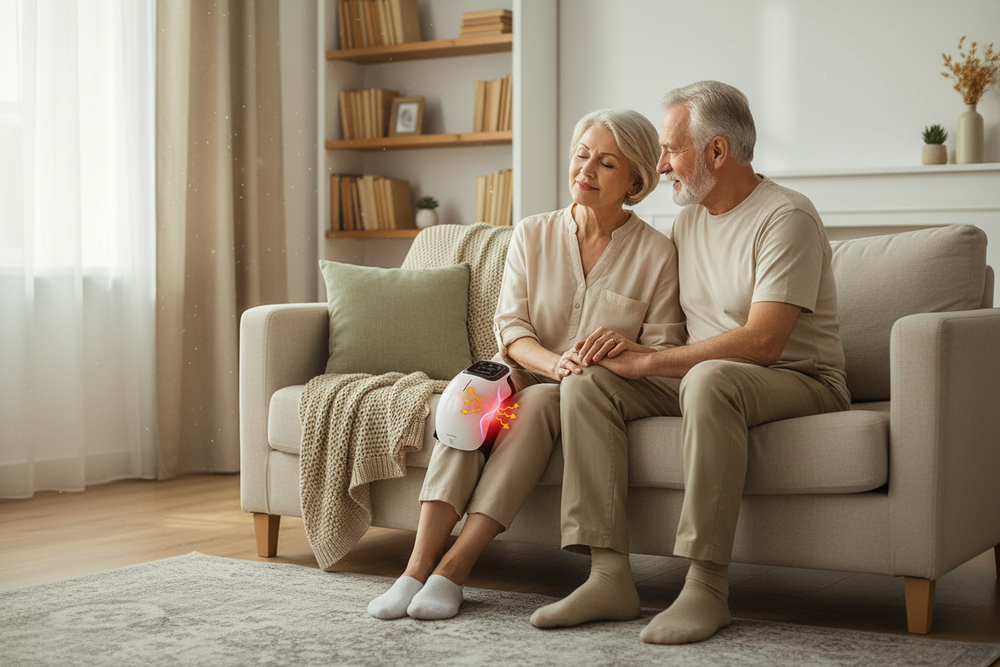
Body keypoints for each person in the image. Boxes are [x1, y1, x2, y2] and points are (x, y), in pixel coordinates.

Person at [530, 81, 851, 645]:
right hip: (708, 379)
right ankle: (608, 576)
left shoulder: (786, 217)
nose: (660, 165)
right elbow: (665, 326)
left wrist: (653, 362)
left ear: (718, 152)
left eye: (672, 150)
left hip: (799, 380)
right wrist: (618, 351)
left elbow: (763, 343)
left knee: (708, 379)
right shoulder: (689, 221)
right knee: (587, 383)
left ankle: (706, 587)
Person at [367, 109, 686, 621]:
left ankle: (454, 569)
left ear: (635, 180)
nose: (585, 170)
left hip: (588, 391)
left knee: (535, 404)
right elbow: (512, 329)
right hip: (528, 367)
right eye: (581, 155)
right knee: (470, 401)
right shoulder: (533, 233)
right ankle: (414, 569)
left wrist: (607, 358)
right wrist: (553, 362)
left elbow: (662, 349)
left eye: (605, 163)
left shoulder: (656, 253)